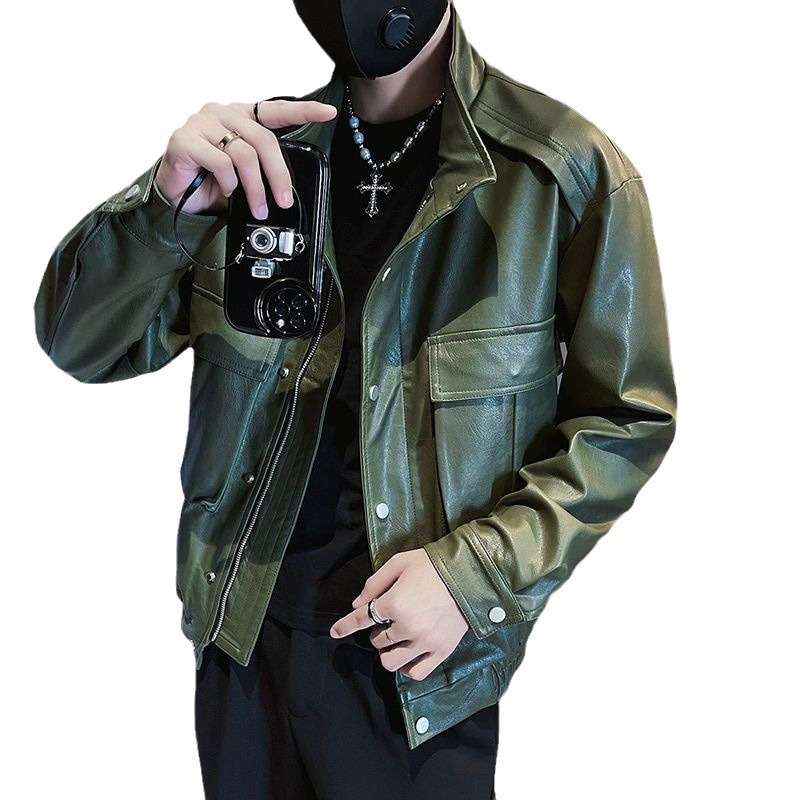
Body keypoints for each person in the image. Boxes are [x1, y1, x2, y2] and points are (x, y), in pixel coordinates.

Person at [33, 1, 678, 798]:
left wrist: (476, 576)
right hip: (243, 642)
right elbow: (81, 342)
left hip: (419, 671)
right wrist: (165, 210)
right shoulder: (255, 163)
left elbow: (626, 417)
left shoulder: (559, 173)